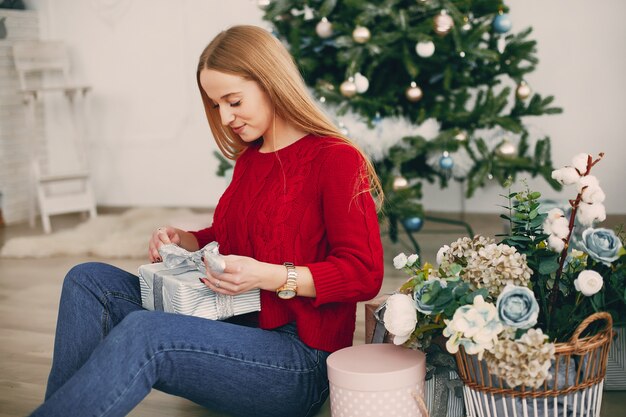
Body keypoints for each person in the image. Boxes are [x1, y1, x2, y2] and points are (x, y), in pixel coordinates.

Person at [31, 25, 384, 417]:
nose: (225, 116)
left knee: (146, 332)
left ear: (272, 82)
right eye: (216, 105)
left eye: (233, 100)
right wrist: (188, 240)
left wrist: (269, 276)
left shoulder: (335, 158)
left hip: (297, 361)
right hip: (233, 324)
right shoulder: (251, 158)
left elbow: (365, 273)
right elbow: (239, 234)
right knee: (87, 279)